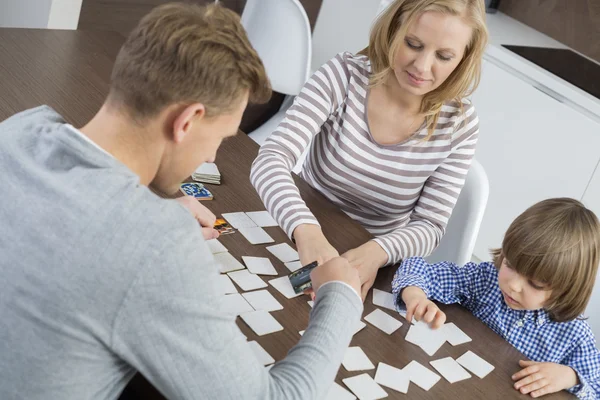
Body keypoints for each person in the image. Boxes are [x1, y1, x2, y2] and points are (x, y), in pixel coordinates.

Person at [0, 3, 364, 400]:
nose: (211, 159)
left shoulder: (21, 130)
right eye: (221, 138)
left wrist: (148, 210)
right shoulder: (158, 244)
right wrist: (339, 297)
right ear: (187, 121)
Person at [250, 0, 489, 299]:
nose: (422, 66)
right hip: (301, 225)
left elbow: (430, 226)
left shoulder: (460, 125)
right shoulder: (344, 75)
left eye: (443, 56)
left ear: (463, 60)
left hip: (376, 256)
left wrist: (376, 253)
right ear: (392, 30)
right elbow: (270, 159)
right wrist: (305, 228)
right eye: (413, 44)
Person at [392, 198, 600, 399]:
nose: (514, 286)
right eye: (510, 265)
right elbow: (416, 267)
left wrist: (571, 377)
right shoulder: (485, 280)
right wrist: (415, 295)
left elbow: (596, 387)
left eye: (535, 284)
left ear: (566, 290)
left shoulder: (574, 335)